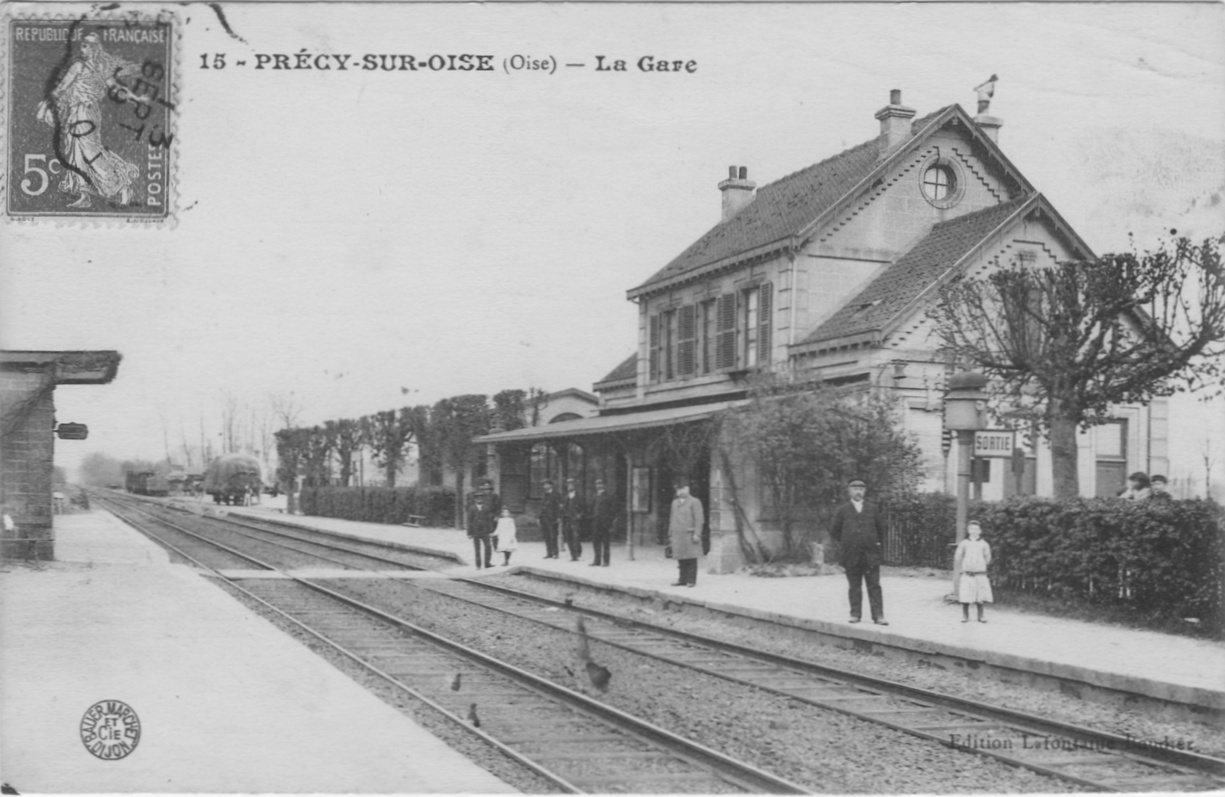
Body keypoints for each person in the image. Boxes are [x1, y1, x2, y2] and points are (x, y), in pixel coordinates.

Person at [38, 32, 144, 208]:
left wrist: (137, 99)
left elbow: (63, 87)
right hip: (78, 113)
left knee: (90, 152)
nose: (83, 48)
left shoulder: (84, 67)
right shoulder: (91, 67)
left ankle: (122, 185)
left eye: (87, 45)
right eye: (82, 45)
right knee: (77, 153)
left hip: (85, 113)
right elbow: (64, 88)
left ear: (95, 48)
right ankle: (84, 196)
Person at [829, 477, 888, 625]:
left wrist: (876, 547)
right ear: (849, 491)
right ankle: (855, 614)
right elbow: (835, 532)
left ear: (865, 491)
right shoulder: (842, 510)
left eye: (861, 489)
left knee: (874, 585)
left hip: (870, 555)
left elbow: (881, 531)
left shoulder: (873, 509)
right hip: (851, 555)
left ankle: (878, 616)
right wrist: (846, 546)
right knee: (854, 586)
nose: (858, 492)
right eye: (855, 489)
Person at [954, 520, 994, 623]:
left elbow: (988, 557)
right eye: (971, 529)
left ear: (980, 531)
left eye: (976, 529)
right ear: (968, 530)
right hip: (968, 574)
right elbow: (958, 556)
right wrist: (964, 566)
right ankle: (965, 615)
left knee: (980, 596)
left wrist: (980, 566)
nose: (974, 531)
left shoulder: (984, 544)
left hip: (979, 574)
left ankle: (981, 616)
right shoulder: (964, 543)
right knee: (966, 595)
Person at [668, 479, 705, 587]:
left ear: (687, 489)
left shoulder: (695, 502)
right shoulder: (674, 503)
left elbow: (699, 519)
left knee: (691, 557)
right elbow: (672, 519)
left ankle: (691, 580)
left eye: (681, 489)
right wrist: (670, 533)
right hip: (678, 535)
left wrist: (697, 533)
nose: (679, 492)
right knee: (680, 557)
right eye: (677, 490)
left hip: (689, 534)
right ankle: (682, 579)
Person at [466, 479, 500, 569]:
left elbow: (489, 520)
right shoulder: (472, 508)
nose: (479, 500)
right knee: (477, 549)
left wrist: (490, 531)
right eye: (477, 498)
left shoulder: (486, 508)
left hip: (485, 531)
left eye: (481, 498)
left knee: (488, 547)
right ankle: (478, 564)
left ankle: (487, 563)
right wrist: (469, 533)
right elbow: (469, 521)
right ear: (475, 500)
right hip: (476, 531)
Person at [589, 478, 619, 567]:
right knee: (595, 541)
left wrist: (609, 520)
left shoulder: (608, 496)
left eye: (600, 484)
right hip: (596, 523)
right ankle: (597, 560)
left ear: (604, 485)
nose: (598, 486)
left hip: (605, 523)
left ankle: (606, 561)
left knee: (605, 542)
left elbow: (613, 510)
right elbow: (592, 508)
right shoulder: (595, 496)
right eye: (597, 484)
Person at [561, 477, 585, 561]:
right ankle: (573, 555)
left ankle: (578, 553)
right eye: (568, 485)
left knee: (576, 537)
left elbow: (584, 508)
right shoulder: (566, 497)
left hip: (575, 520)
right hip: (568, 519)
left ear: (574, 486)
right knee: (569, 537)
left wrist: (579, 515)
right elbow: (563, 508)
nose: (570, 486)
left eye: (571, 485)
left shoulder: (579, 496)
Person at [539, 479, 562, 559]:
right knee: (546, 536)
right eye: (544, 485)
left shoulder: (556, 494)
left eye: (547, 485)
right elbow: (542, 507)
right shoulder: (544, 495)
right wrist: (539, 517)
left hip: (552, 519)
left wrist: (558, 517)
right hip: (544, 519)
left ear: (551, 485)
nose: (545, 486)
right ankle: (549, 553)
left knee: (553, 536)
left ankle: (555, 553)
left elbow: (559, 507)